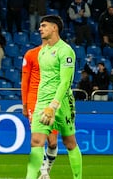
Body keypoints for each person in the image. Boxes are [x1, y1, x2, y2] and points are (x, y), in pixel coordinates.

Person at [26, 15, 82, 179]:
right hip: (42, 101)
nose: (40, 28)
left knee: (69, 143)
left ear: (54, 28)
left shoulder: (66, 51)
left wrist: (54, 106)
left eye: (43, 26)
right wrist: (44, 103)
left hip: (62, 102)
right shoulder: (42, 51)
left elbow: (66, 82)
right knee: (36, 142)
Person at [22, 40, 58, 179]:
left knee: (53, 142)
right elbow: (25, 80)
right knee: (38, 139)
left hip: (51, 101)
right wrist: (24, 104)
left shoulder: (59, 54)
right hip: (34, 101)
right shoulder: (31, 54)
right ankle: (43, 172)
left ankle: (46, 169)